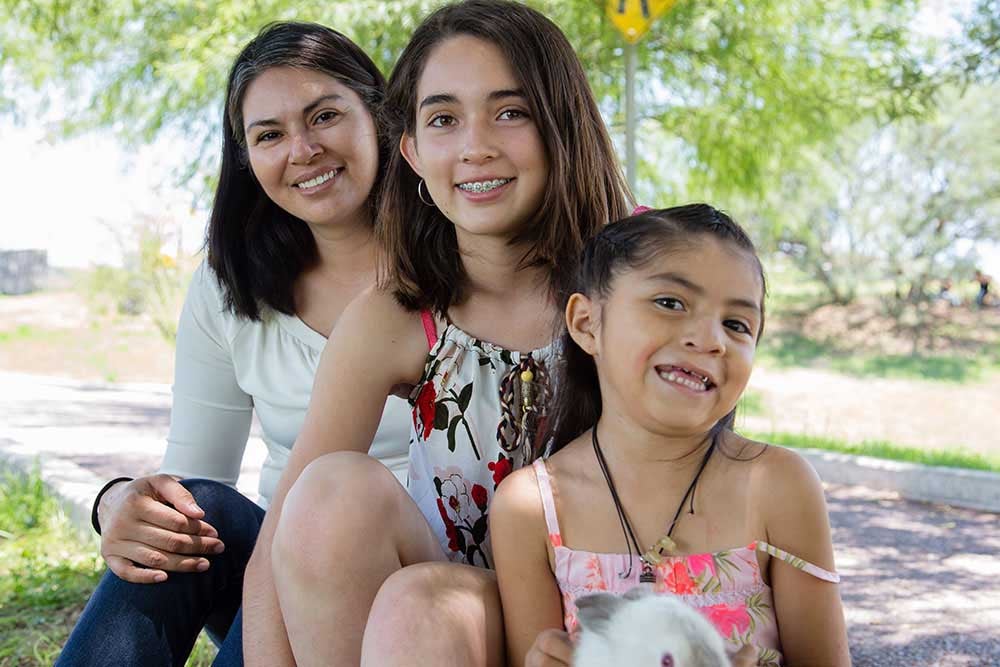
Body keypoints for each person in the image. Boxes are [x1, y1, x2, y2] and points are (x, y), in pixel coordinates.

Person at [240, 2, 632, 664]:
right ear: (414, 153)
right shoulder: (398, 312)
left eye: (511, 112)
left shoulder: (645, 272)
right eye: (444, 119)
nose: (476, 145)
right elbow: (285, 538)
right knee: (330, 494)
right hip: (454, 626)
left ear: (562, 121)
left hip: (621, 610)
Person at [55, 22, 410, 666]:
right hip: (281, 562)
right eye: (269, 135)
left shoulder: (457, 257)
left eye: (325, 115)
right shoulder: (230, 286)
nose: (302, 150)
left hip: (428, 575)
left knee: (330, 517)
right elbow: (196, 477)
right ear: (246, 158)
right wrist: (117, 505)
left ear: (380, 116)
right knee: (200, 512)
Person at [490, 205, 851, 667]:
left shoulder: (780, 485)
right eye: (670, 302)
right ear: (585, 323)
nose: (710, 338)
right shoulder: (530, 508)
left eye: (737, 324)